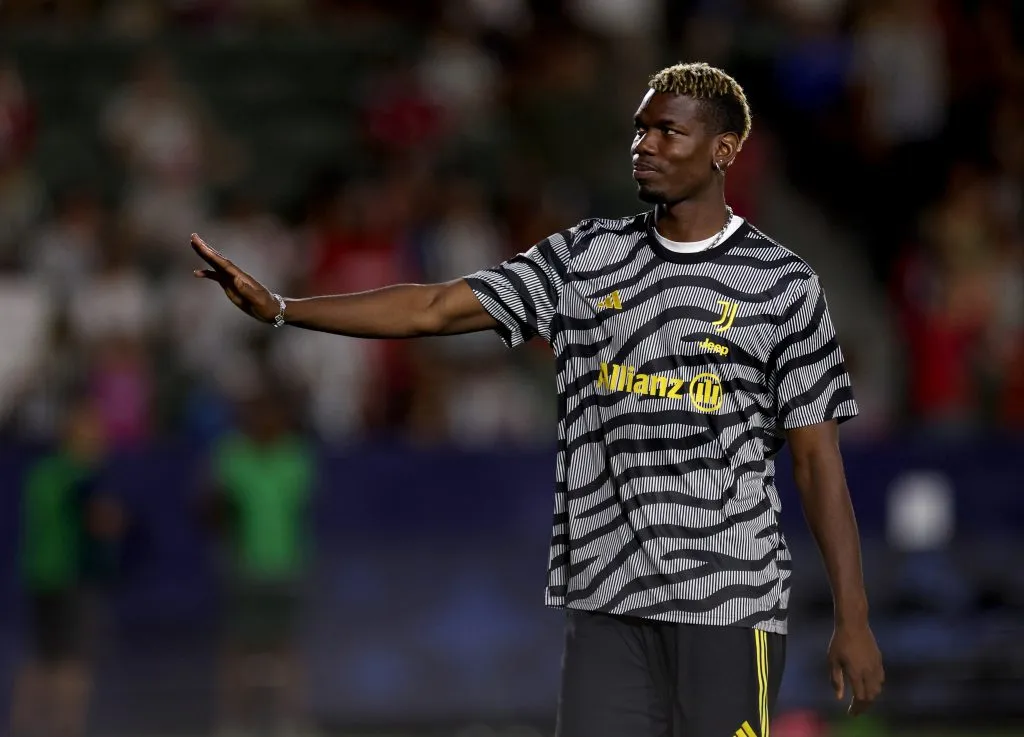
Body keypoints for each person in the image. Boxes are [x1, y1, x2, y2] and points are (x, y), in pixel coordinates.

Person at [191, 62, 885, 737]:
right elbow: (434, 307)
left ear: (724, 150)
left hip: (728, 603)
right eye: (639, 129)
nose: (643, 145)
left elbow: (816, 462)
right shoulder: (585, 258)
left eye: (667, 131)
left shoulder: (782, 285)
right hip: (607, 601)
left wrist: (852, 617)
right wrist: (284, 309)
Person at [198, 387, 315, 737]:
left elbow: (301, 506)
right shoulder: (231, 455)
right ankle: (235, 721)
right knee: (239, 646)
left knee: (285, 646)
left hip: (286, 564)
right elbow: (211, 511)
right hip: (243, 565)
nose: (265, 421)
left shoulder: (294, 456)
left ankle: (289, 720)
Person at [12, 398, 125, 737]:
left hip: (41, 573)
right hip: (72, 574)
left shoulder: (41, 473)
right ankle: (66, 728)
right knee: (74, 661)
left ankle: (23, 726)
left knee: (44, 657)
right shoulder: (79, 477)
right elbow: (101, 521)